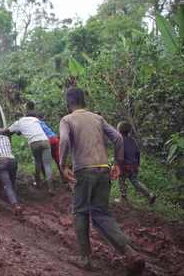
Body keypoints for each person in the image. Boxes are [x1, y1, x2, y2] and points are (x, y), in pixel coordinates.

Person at [59, 87, 144, 273]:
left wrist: (62, 165)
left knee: (80, 212)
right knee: (102, 213)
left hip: (83, 171)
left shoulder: (67, 119)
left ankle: (85, 259)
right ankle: (130, 252)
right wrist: (117, 164)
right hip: (103, 169)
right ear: (84, 100)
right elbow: (118, 139)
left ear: (69, 103)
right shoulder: (97, 118)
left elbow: (64, 140)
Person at [7, 115, 54, 193]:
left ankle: (38, 183)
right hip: (45, 141)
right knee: (47, 165)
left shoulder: (18, 123)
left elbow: (8, 131)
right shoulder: (34, 119)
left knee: (38, 162)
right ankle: (51, 188)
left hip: (34, 143)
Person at [116, 121, 156, 204]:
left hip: (124, 165)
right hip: (133, 165)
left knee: (121, 181)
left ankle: (123, 198)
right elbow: (138, 153)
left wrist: (118, 165)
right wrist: (137, 164)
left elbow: (120, 155)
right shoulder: (132, 140)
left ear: (119, 130)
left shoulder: (120, 140)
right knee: (136, 182)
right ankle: (149, 194)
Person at [0, 131, 22, 215]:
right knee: (12, 182)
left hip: (0, 161)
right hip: (12, 161)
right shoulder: (6, 138)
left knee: (7, 184)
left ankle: (15, 205)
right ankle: (15, 198)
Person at [36, 116, 65, 183]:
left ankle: (47, 179)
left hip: (46, 141)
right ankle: (64, 177)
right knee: (58, 160)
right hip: (54, 139)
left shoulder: (34, 124)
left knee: (44, 162)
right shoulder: (42, 123)